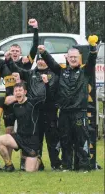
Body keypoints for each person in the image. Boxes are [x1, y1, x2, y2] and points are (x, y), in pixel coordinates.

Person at [38, 34, 99, 171]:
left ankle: (83, 166)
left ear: (79, 58)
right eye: (70, 57)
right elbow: (51, 63)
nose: (73, 59)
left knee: (81, 139)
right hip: (64, 113)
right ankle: (66, 165)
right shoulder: (61, 71)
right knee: (65, 140)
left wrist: (93, 48)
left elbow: (92, 60)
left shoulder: (85, 71)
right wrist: (44, 52)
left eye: (75, 57)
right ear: (67, 57)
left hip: (79, 112)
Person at [6, 34, 61, 171]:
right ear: (36, 62)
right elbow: (17, 70)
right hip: (34, 112)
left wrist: (44, 53)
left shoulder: (54, 74)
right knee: (36, 138)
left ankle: (55, 163)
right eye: (39, 60)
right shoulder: (31, 74)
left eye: (43, 60)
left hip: (50, 112)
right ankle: (38, 161)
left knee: (52, 140)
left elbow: (52, 92)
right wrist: (8, 61)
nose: (41, 62)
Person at [0, 82, 45, 172]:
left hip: (32, 140)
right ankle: (9, 165)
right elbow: (10, 119)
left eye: (20, 90)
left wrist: (46, 84)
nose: (18, 92)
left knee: (29, 171)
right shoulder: (14, 106)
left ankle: (38, 160)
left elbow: (44, 98)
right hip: (19, 137)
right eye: (16, 91)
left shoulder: (33, 103)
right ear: (14, 94)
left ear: (25, 92)